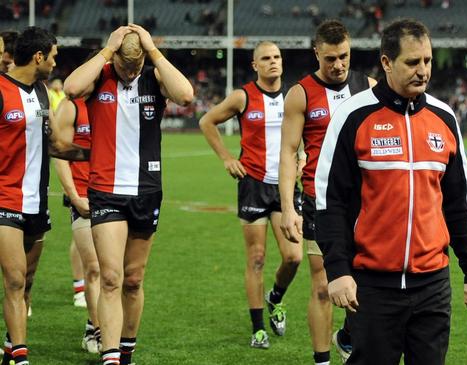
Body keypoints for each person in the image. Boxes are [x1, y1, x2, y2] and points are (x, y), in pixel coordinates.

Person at [314, 18, 467, 365]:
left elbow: (457, 206)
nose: (422, 71)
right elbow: (329, 201)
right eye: (412, 62)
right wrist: (338, 271)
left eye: (427, 61)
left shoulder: (444, 117)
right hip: (372, 287)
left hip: (432, 286)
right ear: (386, 62)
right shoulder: (353, 115)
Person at [63, 24, 193, 365]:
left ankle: (126, 351)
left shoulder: (153, 77)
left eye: (136, 66)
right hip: (105, 191)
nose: (131, 72)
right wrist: (107, 51)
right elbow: (71, 87)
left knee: (133, 280)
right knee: (110, 277)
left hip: (146, 191)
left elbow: (187, 96)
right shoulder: (101, 75)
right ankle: (109, 357)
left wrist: (153, 52)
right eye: (125, 65)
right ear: (115, 57)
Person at [279, 19, 375, 365]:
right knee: (323, 284)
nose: (338, 65)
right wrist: (288, 208)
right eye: (330, 58)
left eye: (344, 57)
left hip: (366, 205)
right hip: (319, 202)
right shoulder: (301, 94)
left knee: (366, 283)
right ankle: (321, 361)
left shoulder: (369, 88)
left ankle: (348, 337)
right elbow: (289, 153)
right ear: (316, 52)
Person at [198, 41, 303, 349]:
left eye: (277, 57)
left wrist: (306, 157)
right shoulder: (243, 96)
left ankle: (276, 297)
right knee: (256, 258)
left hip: (284, 186)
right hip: (253, 184)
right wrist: (227, 158)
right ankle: (258, 330)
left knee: (294, 257)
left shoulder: (294, 96)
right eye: (266, 58)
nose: (273, 62)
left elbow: (310, 131)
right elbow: (207, 121)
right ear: (255, 65)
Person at [0, 26, 58, 365]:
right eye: (53, 56)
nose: (55, 63)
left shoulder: (42, 92)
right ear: (39, 56)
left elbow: (51, 144)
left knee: (28, 281)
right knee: (15, 279)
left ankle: (10, 348)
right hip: (5, 198)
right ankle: (21, 358)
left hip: (37, 200)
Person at [53, 96, 102, 353]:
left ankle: (93, 327)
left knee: (115, 272)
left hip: (112, 193)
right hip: (82, 194)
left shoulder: (110, 101)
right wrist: (72, 195)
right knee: (93, 267)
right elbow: (59, 152)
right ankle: (97, 329)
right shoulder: (72, 106)